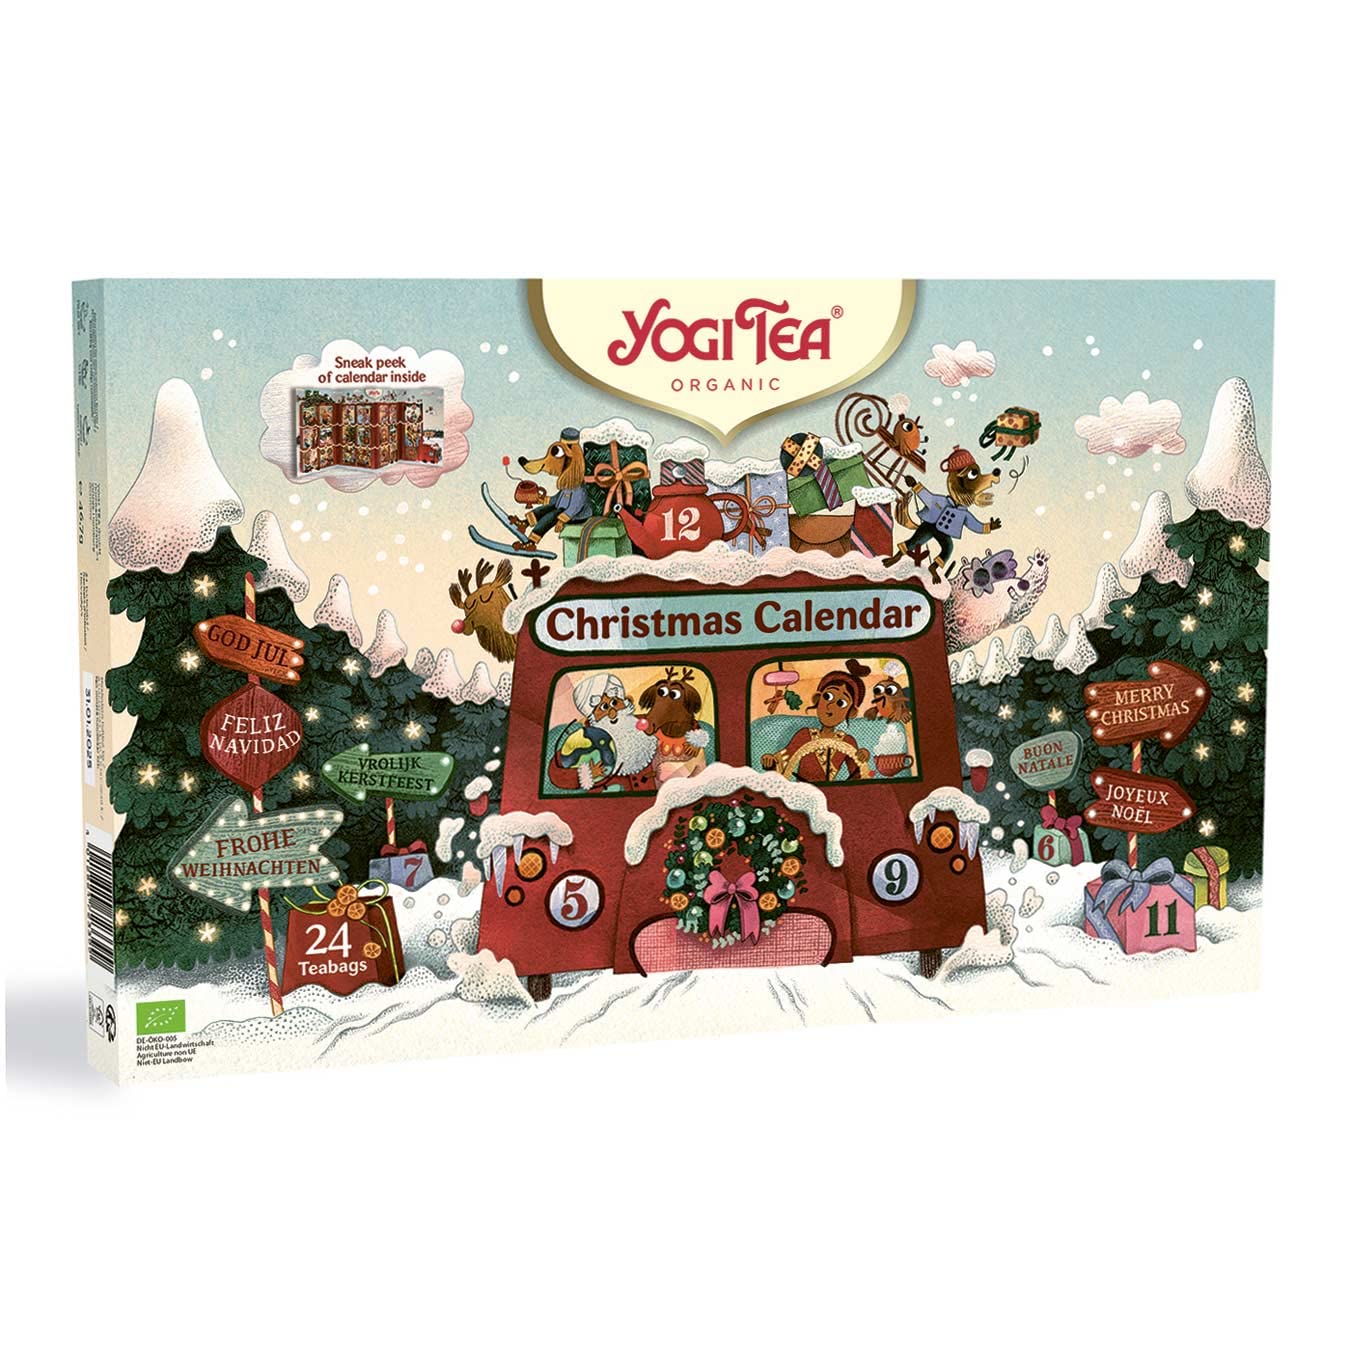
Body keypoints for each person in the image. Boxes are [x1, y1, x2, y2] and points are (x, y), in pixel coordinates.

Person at [761, 659, 872, 782]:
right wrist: (771, 761)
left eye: (841, 703)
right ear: (818, 698)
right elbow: (784, 758)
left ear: (851, 712)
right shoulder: (804, 735)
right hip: (803, 790)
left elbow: (858, 776)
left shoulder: (847, 741)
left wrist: (862, 756)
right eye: (827, 696)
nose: (831, 706)